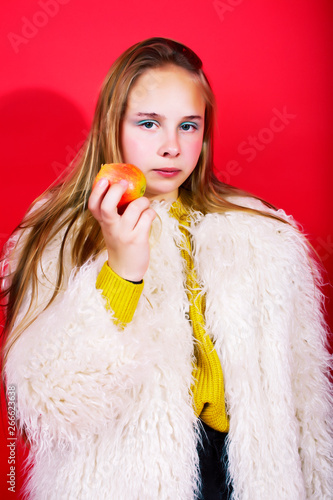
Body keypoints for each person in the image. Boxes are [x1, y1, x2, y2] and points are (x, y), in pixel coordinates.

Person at [1, 37, 332, 500]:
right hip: (126, 480)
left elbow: (307, 405)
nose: (172, 147)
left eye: (189, 126)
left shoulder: (265, 237)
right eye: (149, 123)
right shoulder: (58, 236)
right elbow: (49, 405)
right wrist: (122, 269)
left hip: (249, 474)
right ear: (111, 127)